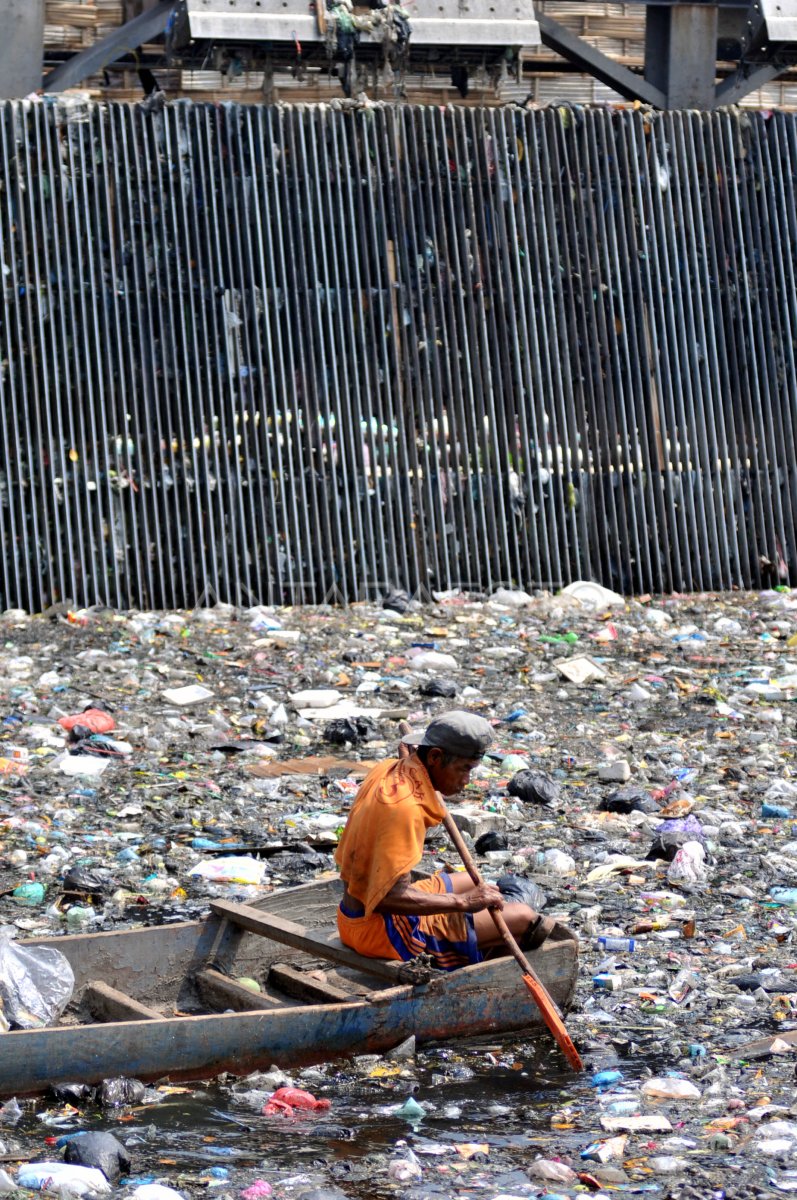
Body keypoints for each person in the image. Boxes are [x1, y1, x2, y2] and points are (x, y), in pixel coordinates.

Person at [334, 711, 556, 971]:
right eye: (463, 769)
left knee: (480, 884)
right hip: (382, 932)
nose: (466, 781)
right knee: (525, 918)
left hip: (351, 915)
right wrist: (464, 904)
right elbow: (387, 899)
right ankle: (471, 971)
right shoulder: (404, 807)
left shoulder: (392, 769)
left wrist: (472, 898)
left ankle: (472, 937)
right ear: (435, 757)